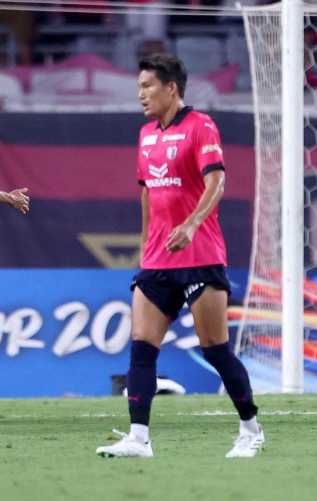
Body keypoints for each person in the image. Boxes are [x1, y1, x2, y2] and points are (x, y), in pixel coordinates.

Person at [97, 55, 263, 459]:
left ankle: (250, 430)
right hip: (157, 261)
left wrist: (189, 224)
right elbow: (146, 193)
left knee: (215, 347)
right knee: (141, 346)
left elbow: (218, 180)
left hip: (200, 255)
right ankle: (139, 437)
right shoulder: (146, 134)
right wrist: (144, 244)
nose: (141, 94)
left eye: (147, 86)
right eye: (139, 87)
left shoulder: (200, 125)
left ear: (171, 88)